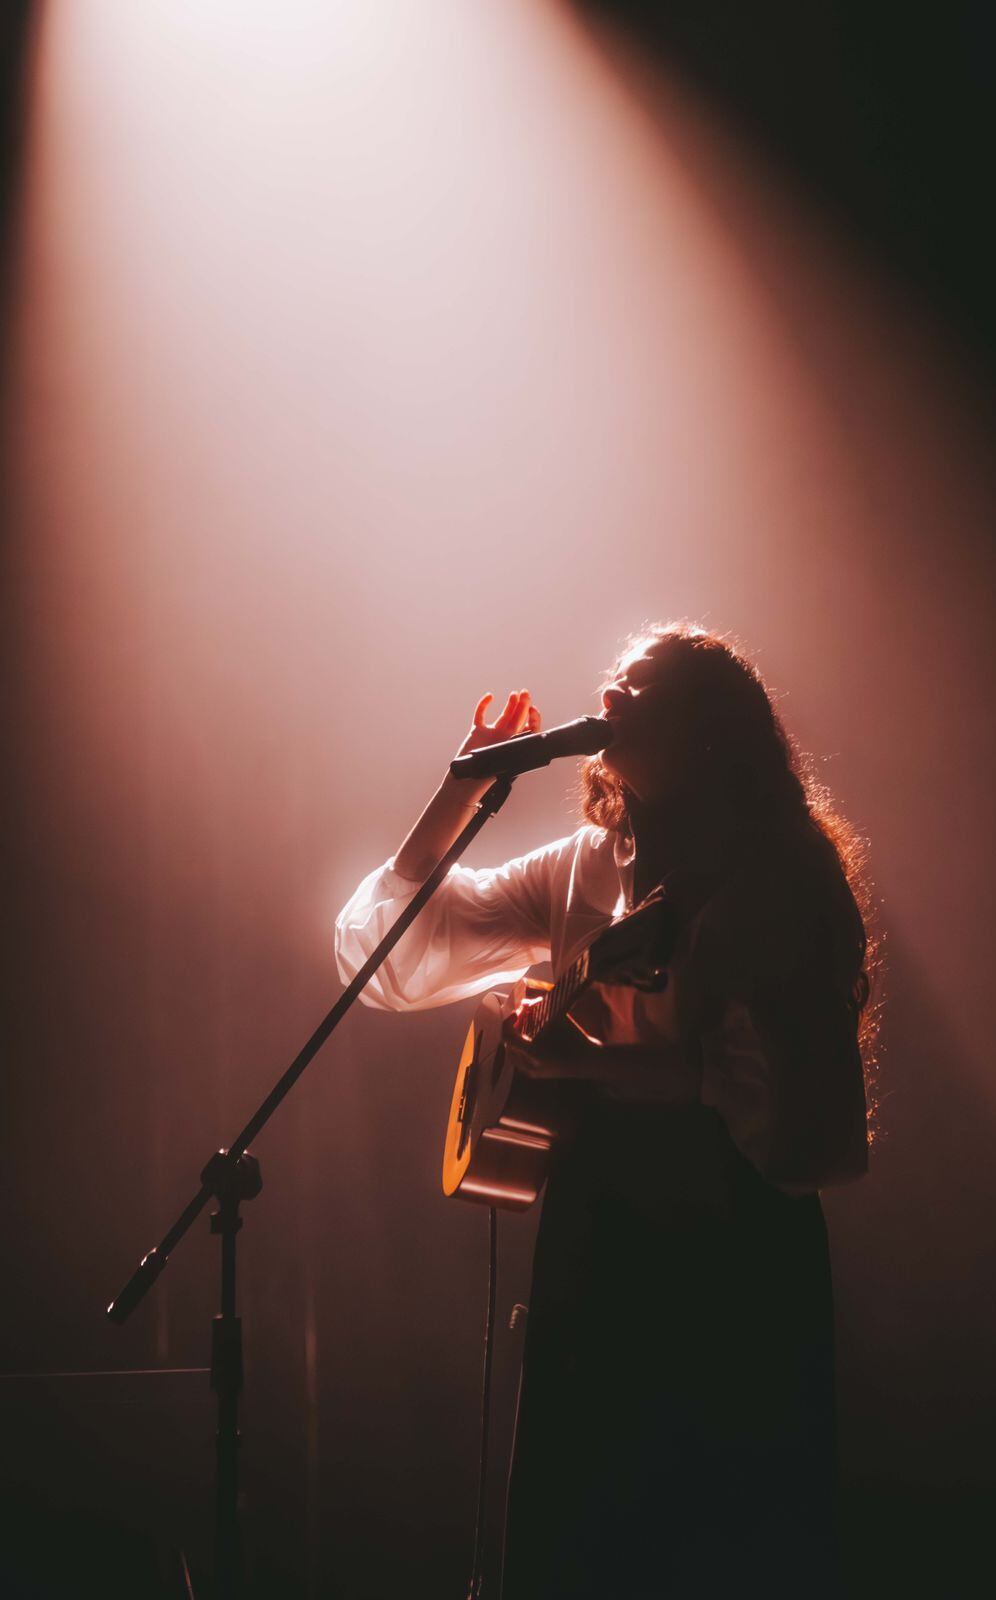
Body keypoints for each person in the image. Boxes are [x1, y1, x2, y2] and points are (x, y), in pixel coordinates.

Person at [335, 623, 878, 1599]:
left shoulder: (781, 875)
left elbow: (802, 1115)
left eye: (644, 684)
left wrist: (591, 1063)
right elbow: (392, 955)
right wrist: (460, 787)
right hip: (597, 1233)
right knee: (582, 1536)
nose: (612, 694)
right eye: (613, 680)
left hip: (728, 1246)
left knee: (724, 1541)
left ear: (707, 727)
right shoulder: (585, 864)